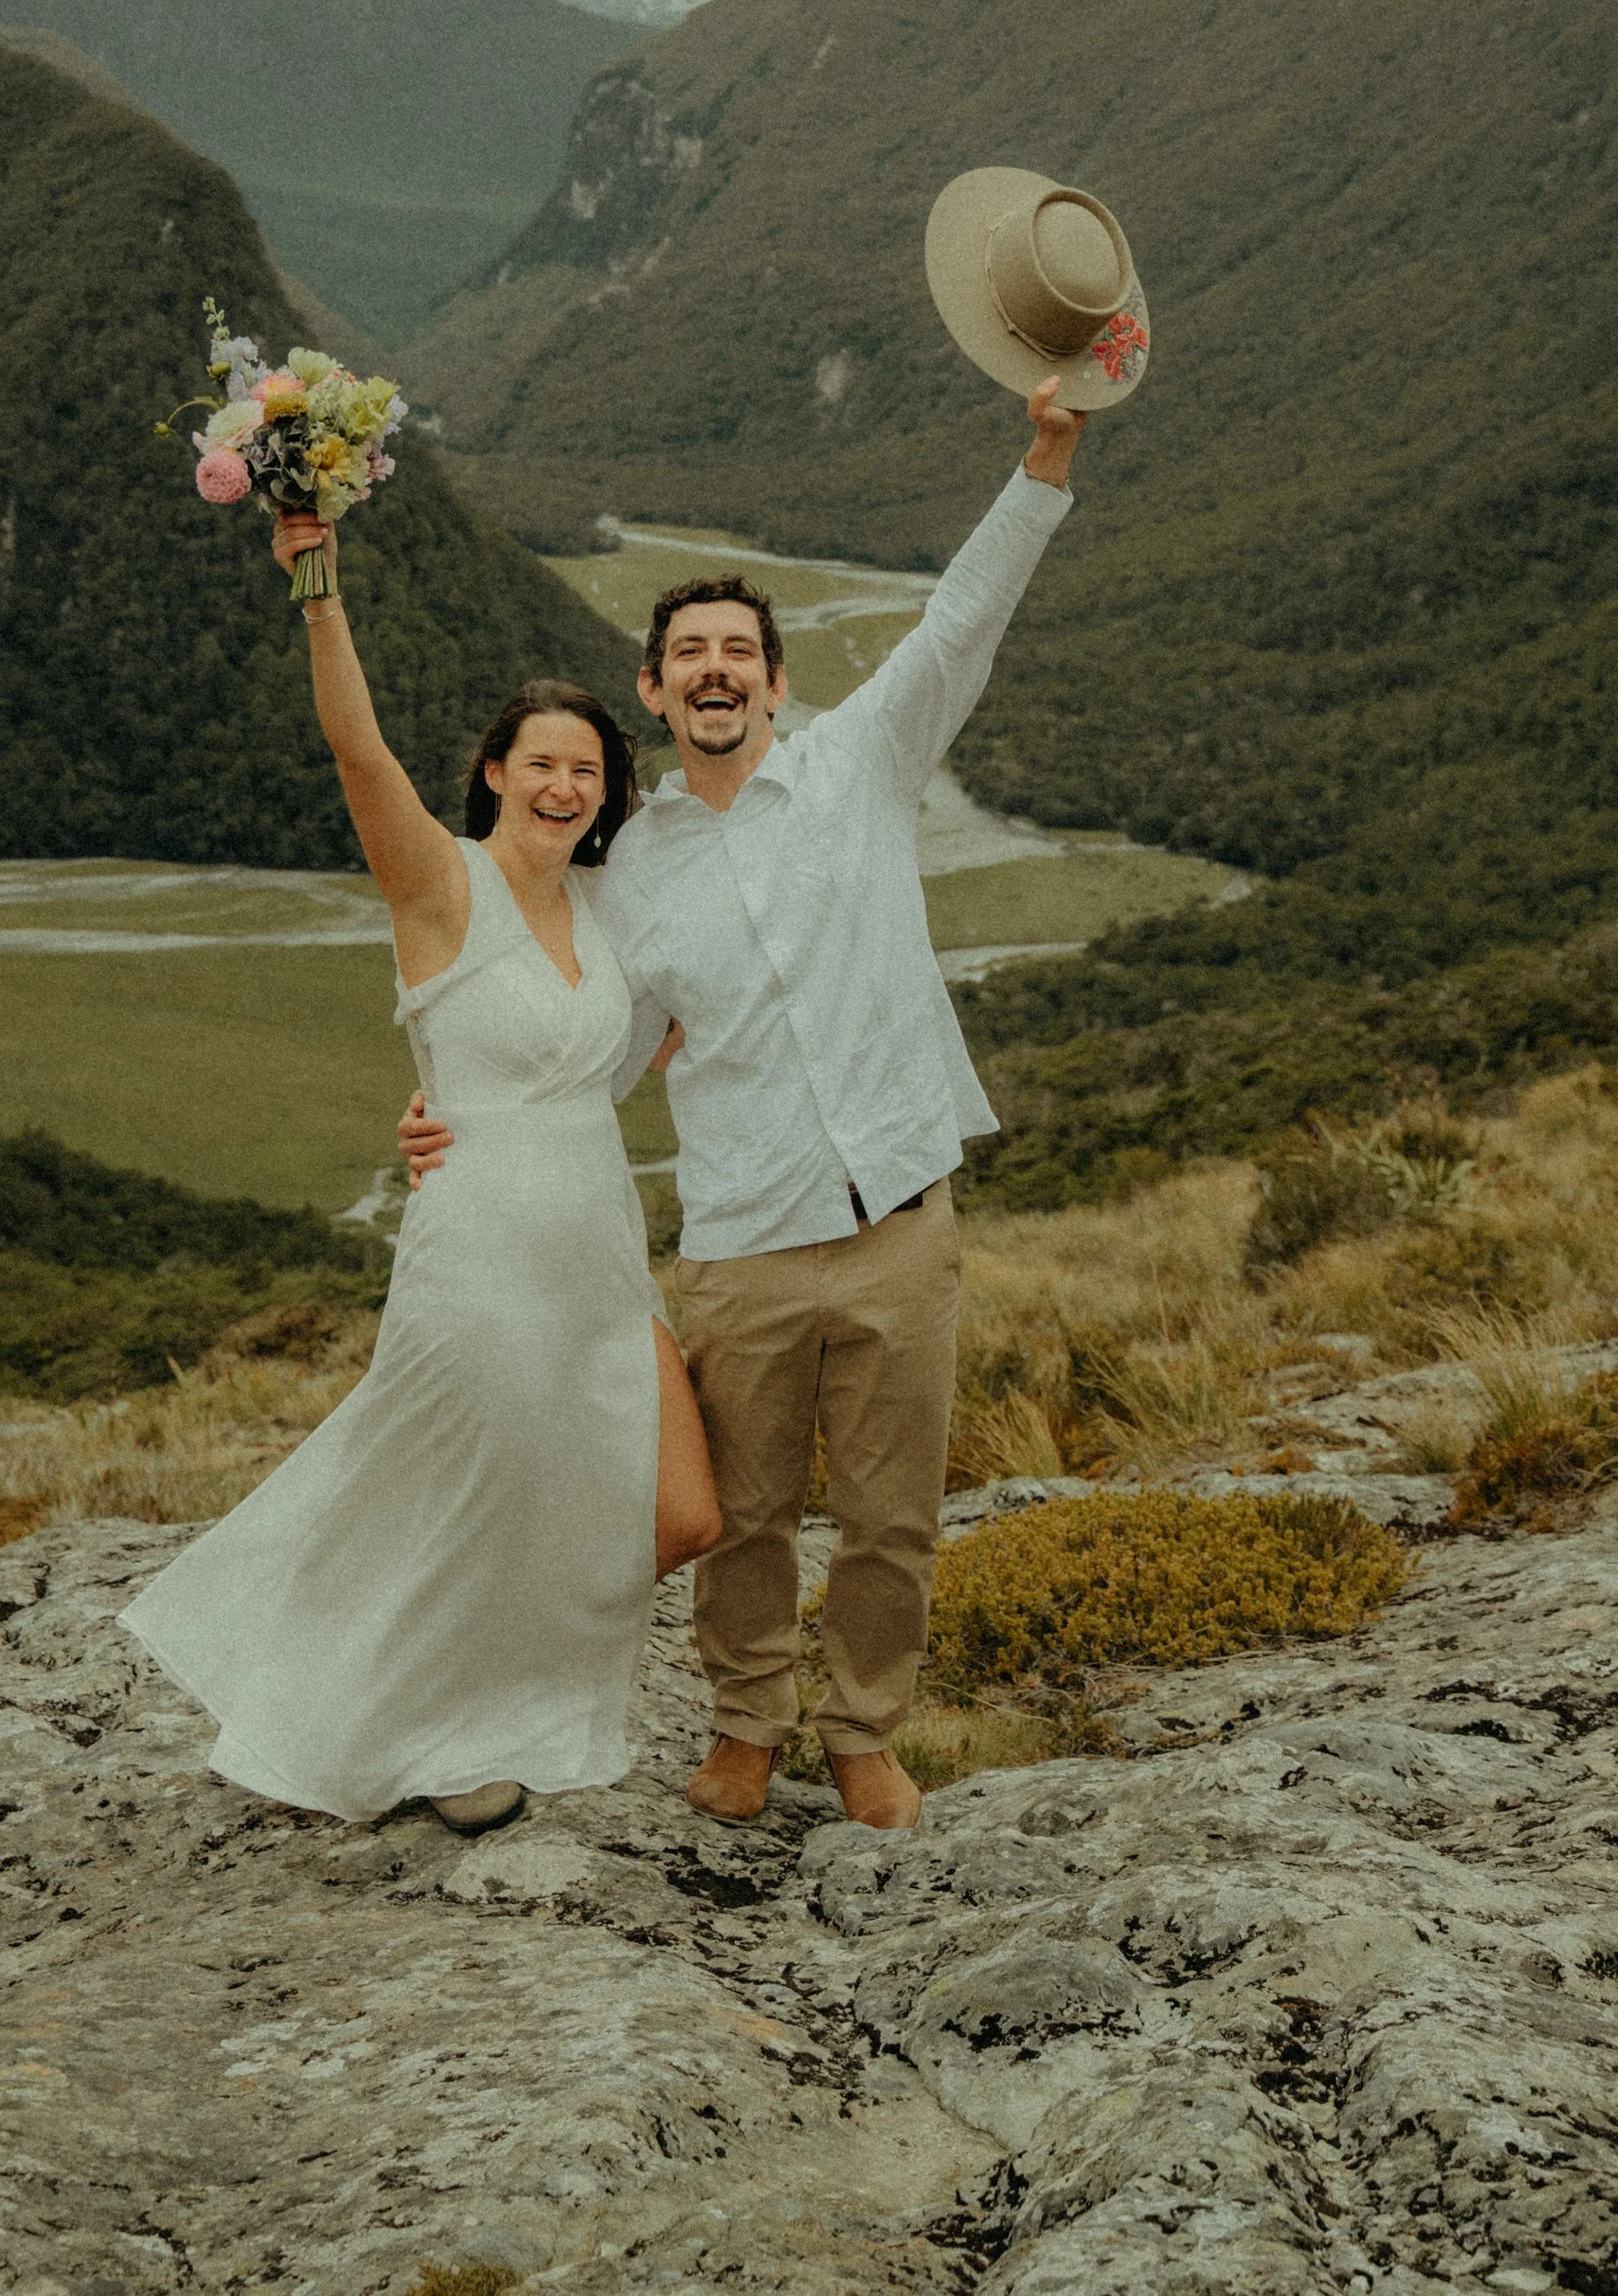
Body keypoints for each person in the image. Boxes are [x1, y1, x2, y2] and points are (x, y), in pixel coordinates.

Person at [401, 375, 1087, 1832]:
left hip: (900, 1211)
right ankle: (744, 1724)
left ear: (777, 682)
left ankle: (865, 1732)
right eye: (687, 654)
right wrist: (445, 1112)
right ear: (651, 689)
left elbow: (961, 619)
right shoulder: (627, 867)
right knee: (749, 1518)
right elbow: (585, 1036)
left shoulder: (866, 763)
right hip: (741, 1241)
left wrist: (1047, 454)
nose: (715, 670)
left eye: (738, 651)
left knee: (896, 1513)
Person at [120, 531, 719, 1833]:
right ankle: (450, 1736)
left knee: (678, 1511)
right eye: (542, 764)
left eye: (589, 769)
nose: (565, 786)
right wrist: (316, 584)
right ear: (497, 773)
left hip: (599, 1258)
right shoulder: (443, 887)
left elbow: (614, 1057)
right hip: (482, 1253)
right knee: (470, 1505)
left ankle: (502, 1698)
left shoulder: (604, 906)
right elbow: (358, 754)